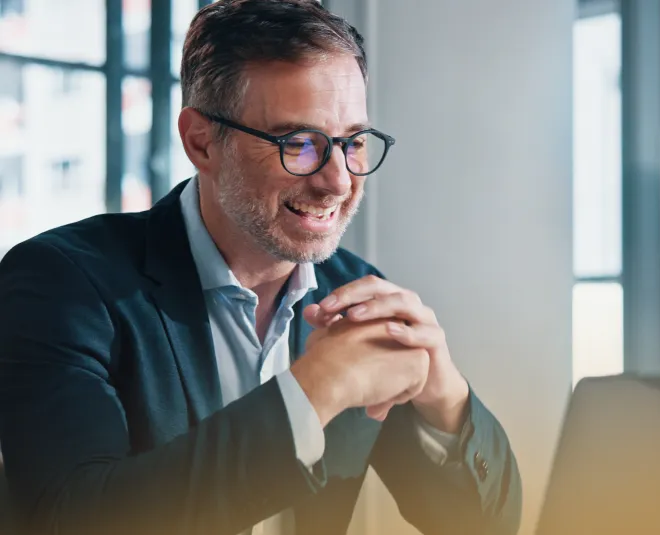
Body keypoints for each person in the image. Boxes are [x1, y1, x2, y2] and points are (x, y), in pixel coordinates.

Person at [0, 1, 522, 534]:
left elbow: (485, 524)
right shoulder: (61, 284)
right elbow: (73, 518)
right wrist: (313, 391)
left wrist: (447, 401)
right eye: (298, 144)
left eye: (353, 143)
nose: (338, 181)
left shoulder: (359, 295)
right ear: (202, 143)